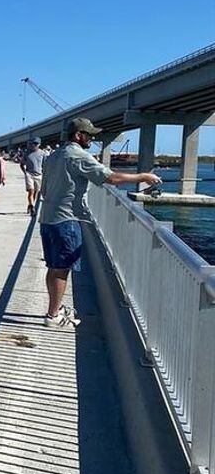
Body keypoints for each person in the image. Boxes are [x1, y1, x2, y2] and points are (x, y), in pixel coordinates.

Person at [40, 118, 161, 327]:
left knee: (53, 267)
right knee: (62, 269)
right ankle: (53, 316)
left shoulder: (53, 156)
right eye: (89, 134)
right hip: (67, 220)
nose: (92, 138)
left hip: (48, 219)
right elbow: (111, 178)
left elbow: (43, 190)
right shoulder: (78, 155)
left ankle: (54, 309)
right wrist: (143, 176)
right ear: (78, 135)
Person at [20, 137, 46, 216]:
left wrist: (44, 173)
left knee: (36, 192)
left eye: (36, 144)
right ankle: (32, 207)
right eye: (32, 144)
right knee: (31, 190)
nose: (34, 145)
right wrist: (25, 172)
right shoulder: (27, 153)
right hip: (29, 174)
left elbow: (45, 165)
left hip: (39, 175)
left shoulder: (43, 153)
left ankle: (31, 204)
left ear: (39, 144)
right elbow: (21, 164)